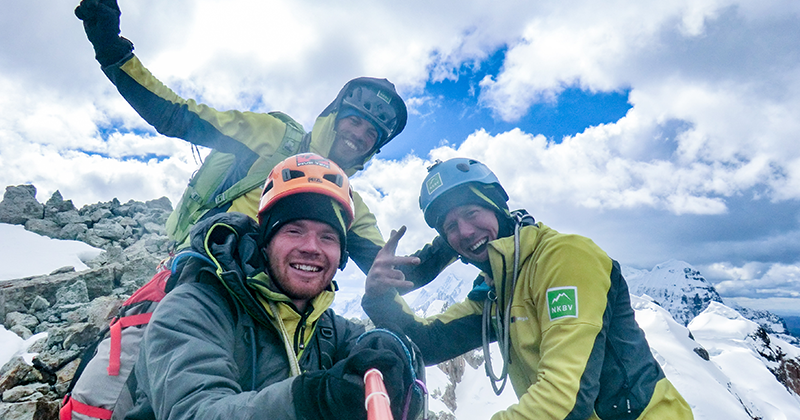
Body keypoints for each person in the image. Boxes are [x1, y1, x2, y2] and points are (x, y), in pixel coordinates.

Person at [74, 0, 455, 286]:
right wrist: (111, 50)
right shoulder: (274, 136)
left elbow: (391, 275)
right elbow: (176, 116)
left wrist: (457, 238)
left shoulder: (350, 204)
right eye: (354, 121)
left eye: (371, 133)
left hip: (276, 309)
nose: (359, 135)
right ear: (332, 118)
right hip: (199, 278)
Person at [362, 157, 694, 420]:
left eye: (471, 212)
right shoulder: (497, 291)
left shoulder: (565, 258)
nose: (464, 231)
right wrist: (380, 296)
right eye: (451, 226)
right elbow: (428, 343)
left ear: (495, 206)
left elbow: (567, 397)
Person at [124, 153, 423, 420]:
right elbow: (195, 411)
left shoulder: (328, 328)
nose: (311, 248)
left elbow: (370, 343)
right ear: (265, 242)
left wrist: (388, 343)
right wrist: (313, 400)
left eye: (328, 237)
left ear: (341, 255)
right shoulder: (194, 308)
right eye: (294, 231)